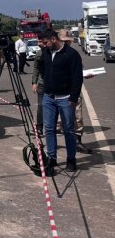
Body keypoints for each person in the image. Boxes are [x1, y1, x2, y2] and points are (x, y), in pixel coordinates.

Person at [38, 29, 83, 174]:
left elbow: (77, 78)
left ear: (54, 39)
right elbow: (41, 66)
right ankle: (52, 159)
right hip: (49, 97)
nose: (43, 45)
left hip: (66, 99)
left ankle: (71, 159)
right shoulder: (46, 53)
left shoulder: (71, 54)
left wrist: (74, 98)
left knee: (68, 129)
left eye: (45, 42)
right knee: (49, 129)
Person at [30, 33, 46, 136]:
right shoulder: (39, 54)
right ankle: (39, 127)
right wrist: (34, 82)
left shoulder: (53, 52)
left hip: (53, 85)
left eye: (41, 41)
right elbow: (35, 68)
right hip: (41, 83)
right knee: (40, 106)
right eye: (38, 41)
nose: (39, 43)